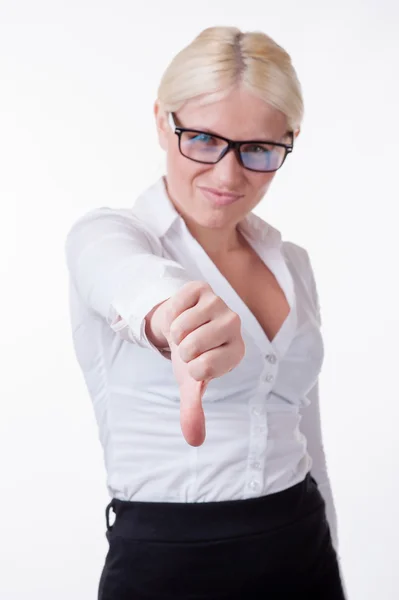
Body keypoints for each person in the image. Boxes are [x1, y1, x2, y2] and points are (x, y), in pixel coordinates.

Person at [65, 25, 346, 600]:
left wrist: (331, 558)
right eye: (202, 139)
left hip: (300, 542)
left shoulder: (292, 262)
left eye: (259, 151)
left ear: (289, 141)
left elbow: (304, 435)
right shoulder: (110, 236)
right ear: (162, 120)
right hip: (168, 562)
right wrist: (178, 318)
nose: (227, 175)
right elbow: (130, 281)